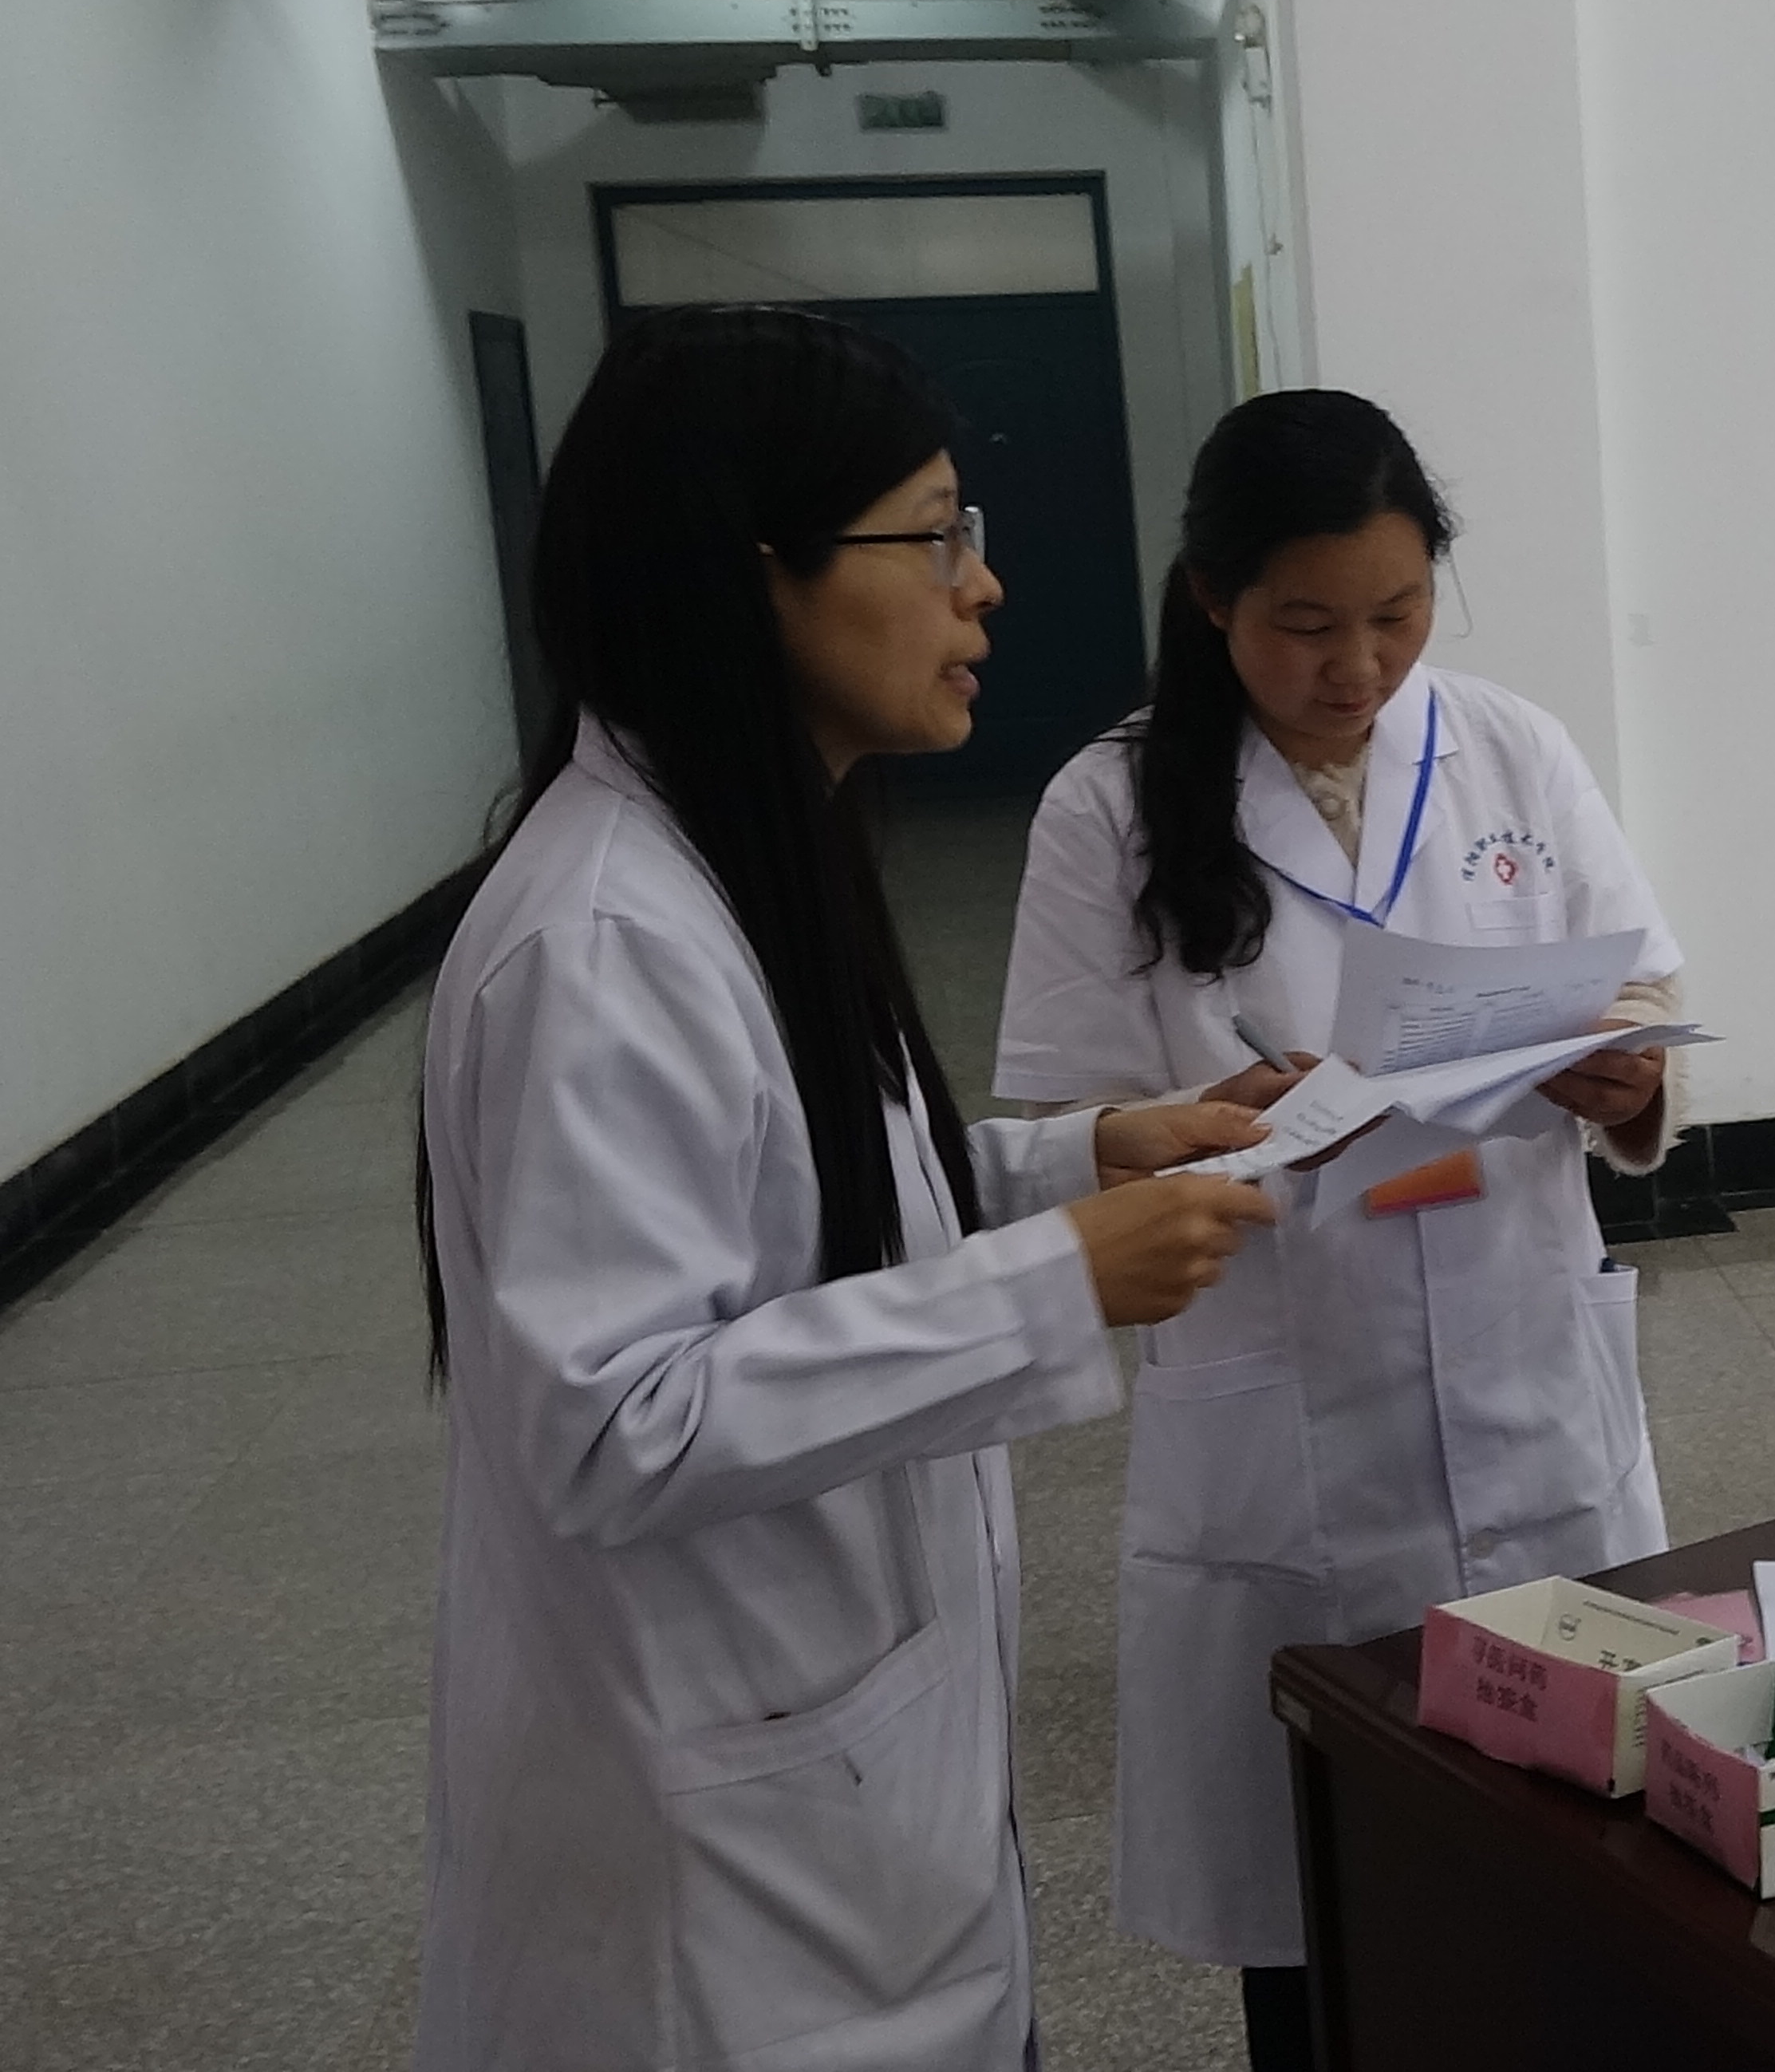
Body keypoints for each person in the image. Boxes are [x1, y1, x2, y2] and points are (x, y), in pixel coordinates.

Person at [409, 306, 1280, 2072]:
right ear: (756, 573)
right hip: (723, 1911)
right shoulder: (608, 942)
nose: (985, 586)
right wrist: (1058, 1279)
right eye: (936, 534)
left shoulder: (741, 845)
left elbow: (797, 1193)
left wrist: (1080, 1156)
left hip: (841, 1812)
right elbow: (612, 1422)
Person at [993, 389, 1686, 2070]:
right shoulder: (1109, 806)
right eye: (1306, 625)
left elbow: (1641, 990)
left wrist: (1628, 1077)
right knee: (1325, 1921)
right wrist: (1229, 1114)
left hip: (1527, 1367)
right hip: (1291, 1396)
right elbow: (1062, 1134)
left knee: (1574, 1886)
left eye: (1397, 613)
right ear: (1213, 598)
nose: (1358, 666)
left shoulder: (1512, 748)